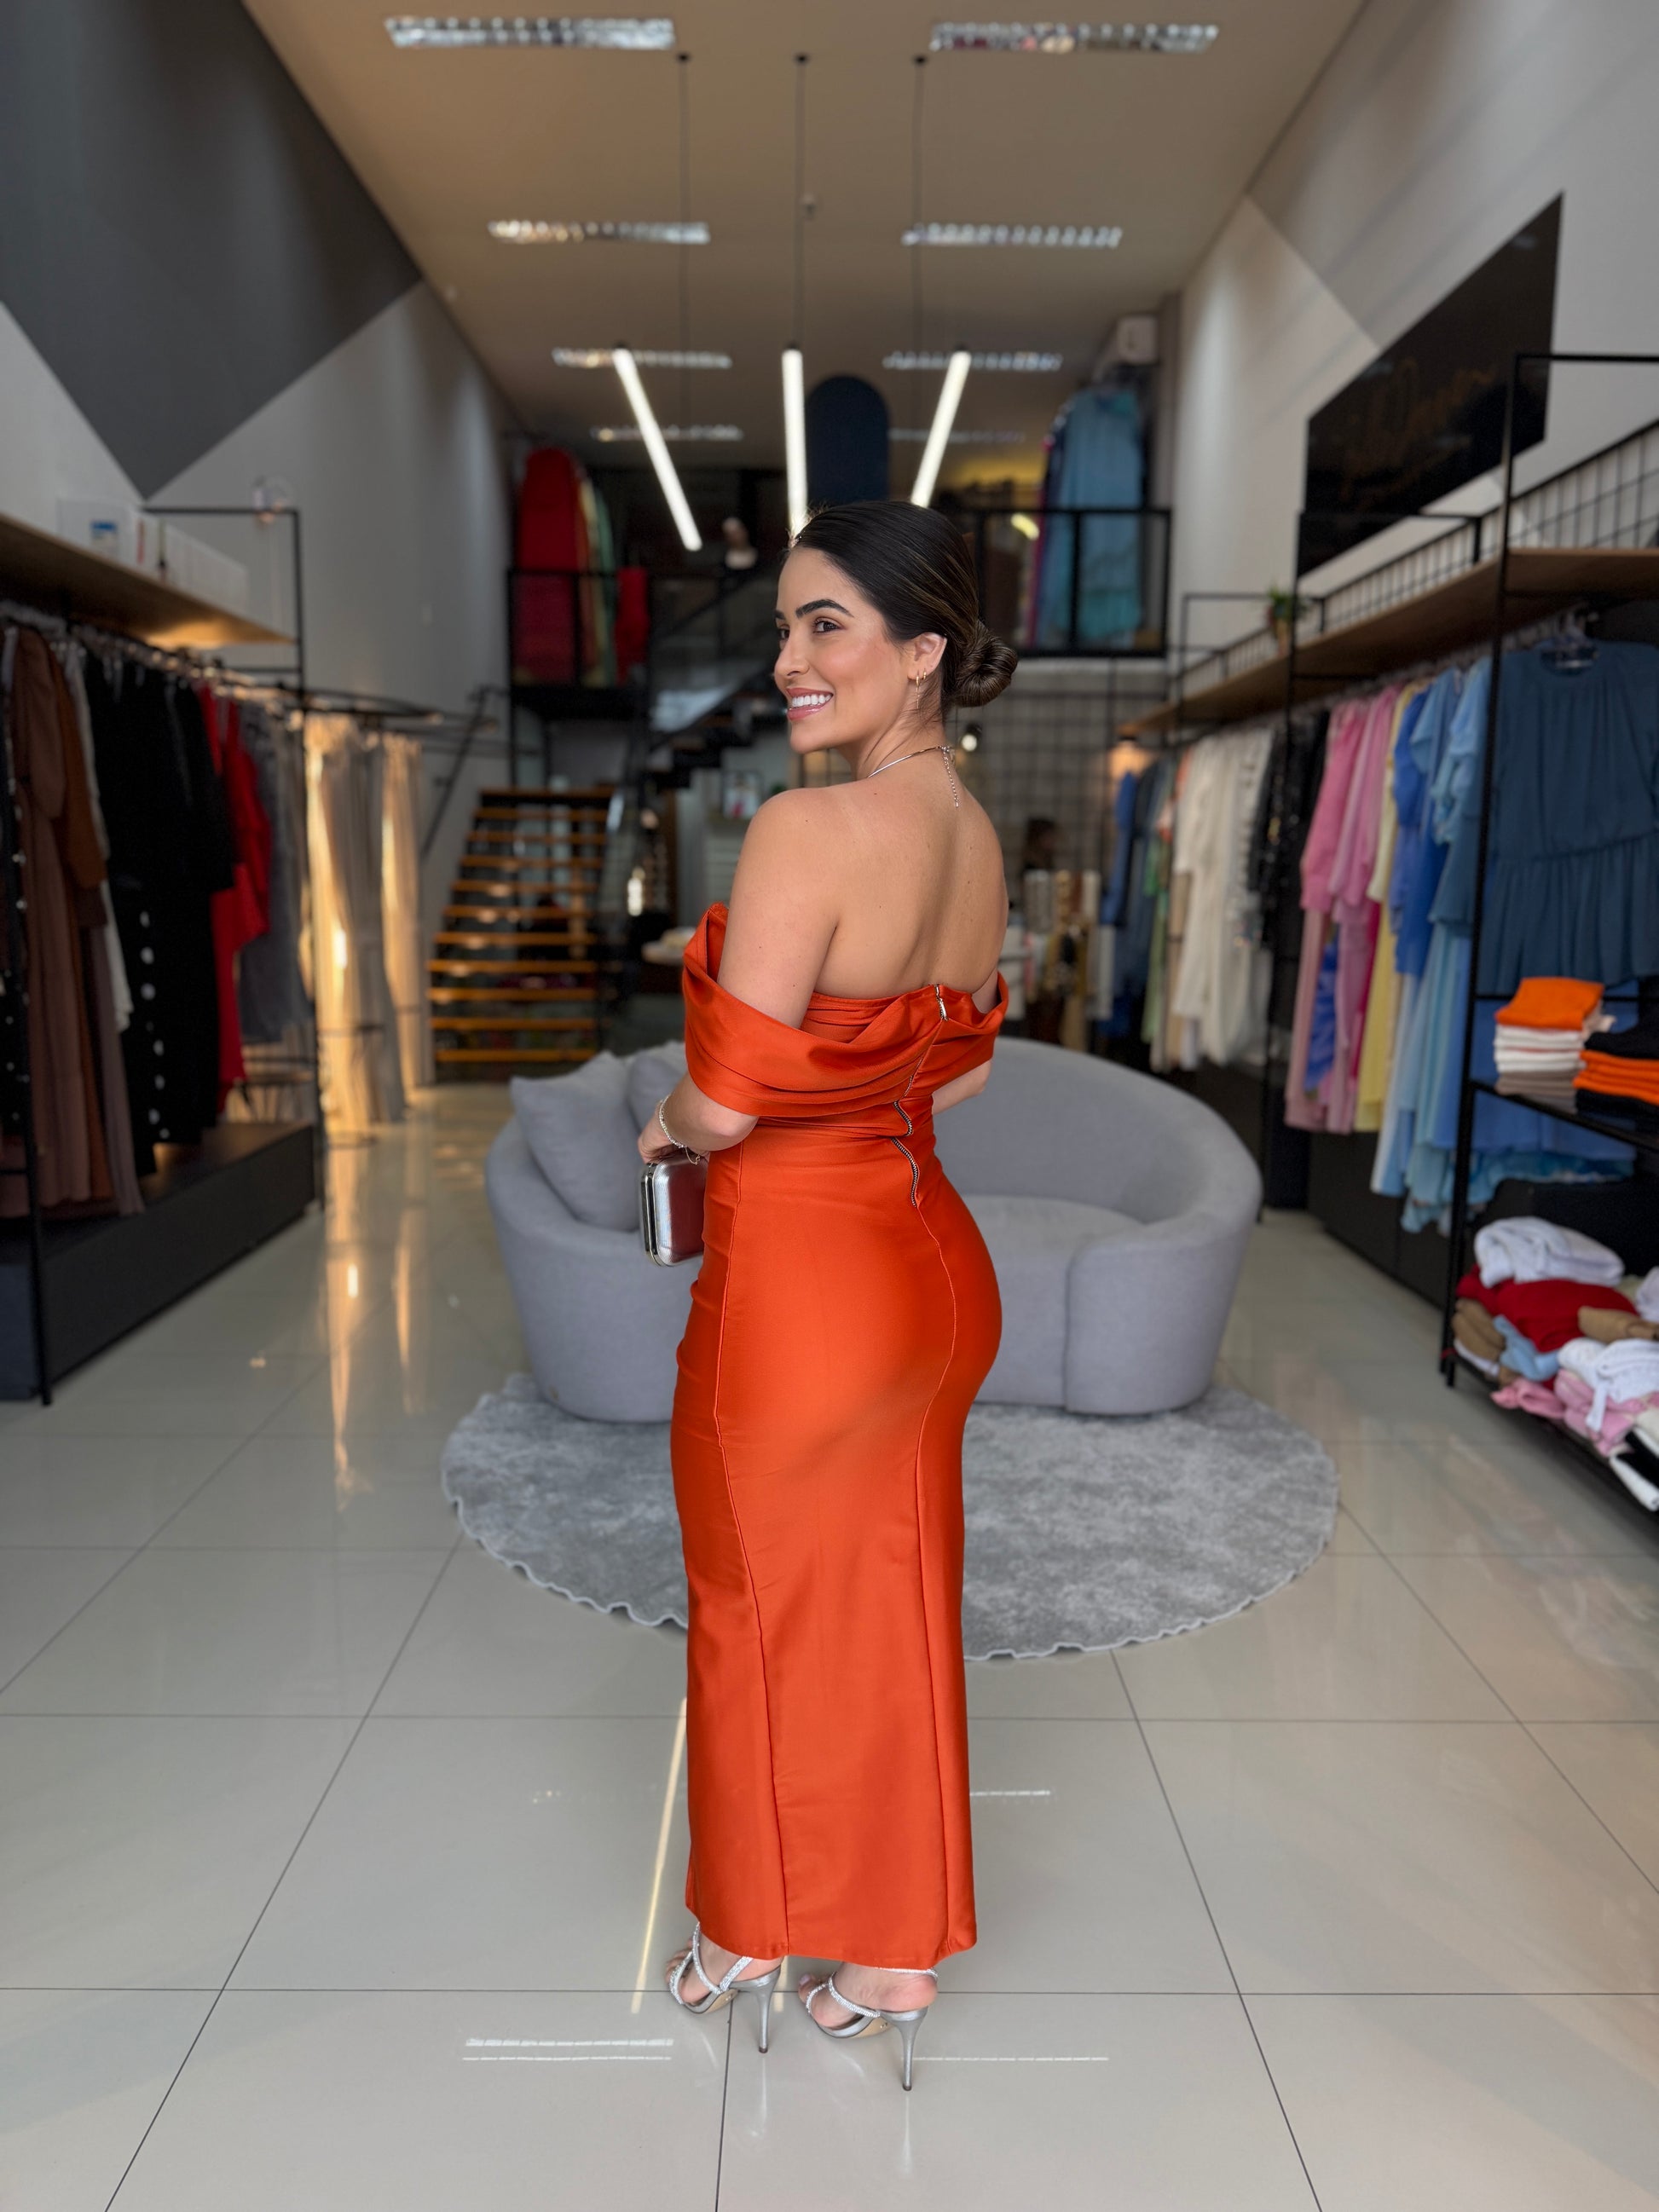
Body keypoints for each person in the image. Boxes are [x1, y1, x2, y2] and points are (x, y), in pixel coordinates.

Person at [639, 499, 1017, 2089]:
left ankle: (747, 1928)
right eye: (784, 625)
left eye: (825, 625)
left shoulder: (809, 831)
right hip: (929, 1266)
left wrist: (663, 1125)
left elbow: (726, 1104)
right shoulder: (973, 838)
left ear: (922, 651)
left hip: (801, 1283)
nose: (789, 659)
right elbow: (963, 1070)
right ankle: (891, 1955)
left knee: (752, 1609)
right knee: (893, 1605)